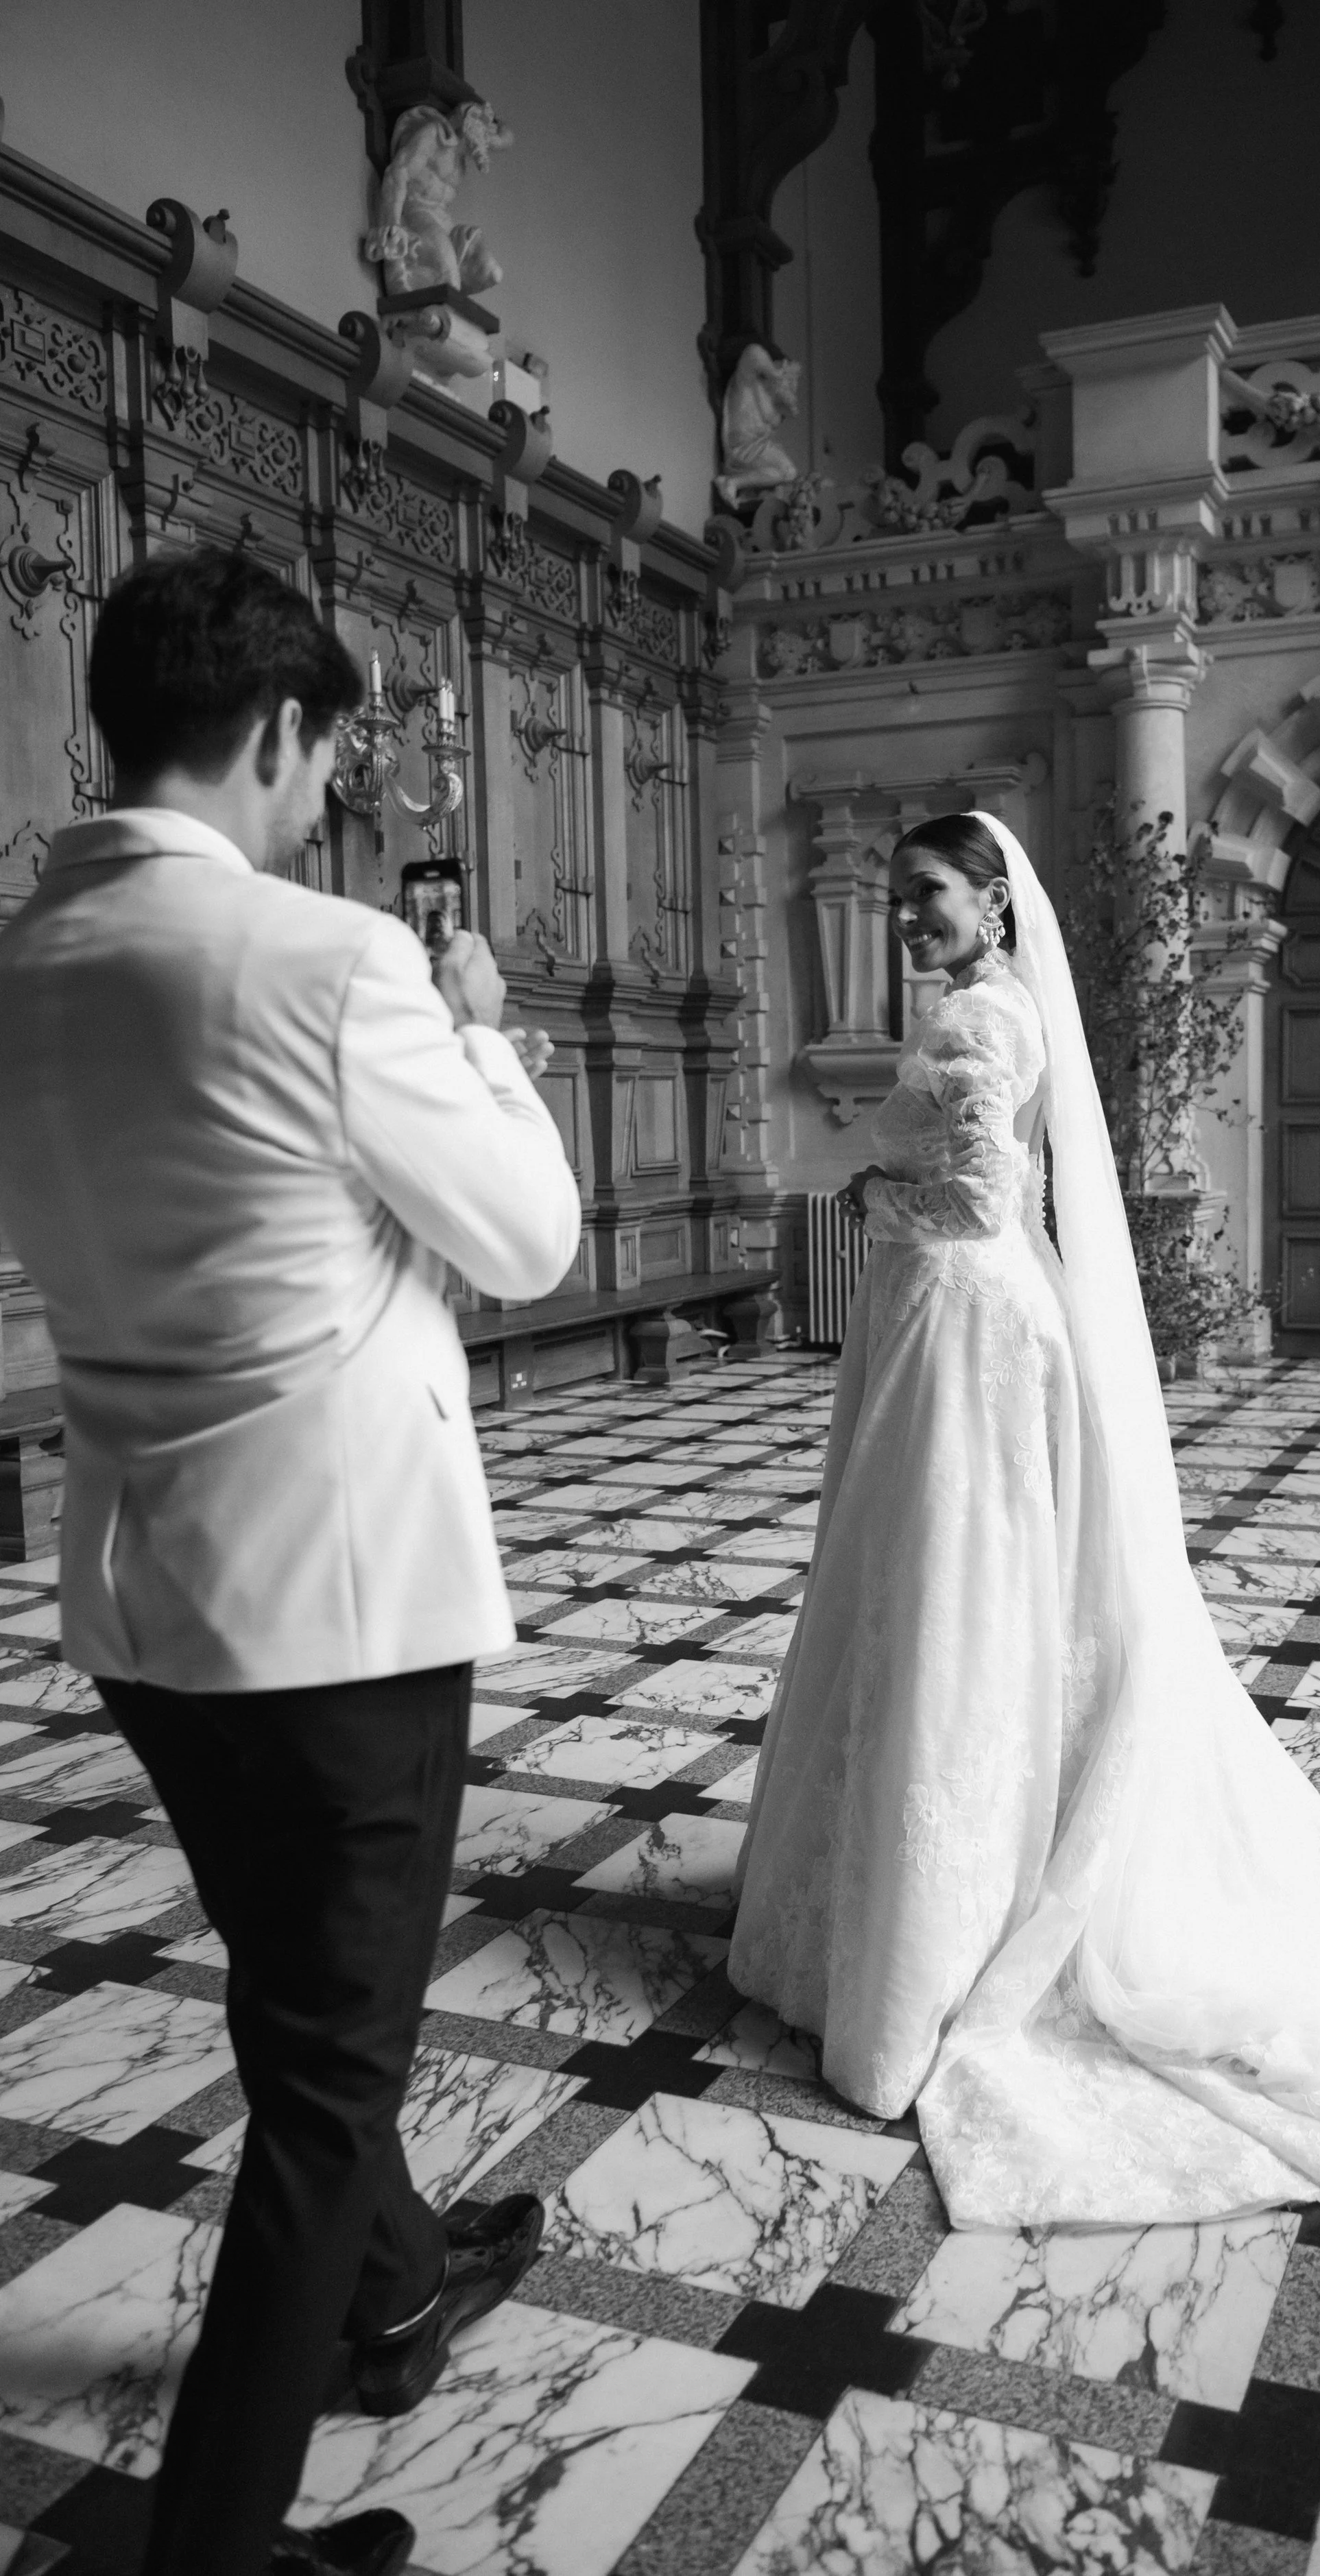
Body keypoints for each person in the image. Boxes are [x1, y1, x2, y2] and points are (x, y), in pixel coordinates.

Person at [0, 551, 580, 2576]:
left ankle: (397, 2282)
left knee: (299, 2006)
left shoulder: (24, 951)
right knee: (327, 2084)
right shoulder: (331, 959)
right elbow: (526, 1242)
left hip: (144, 1598)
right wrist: (477, 1030)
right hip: (338, 1619)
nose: (321, 805)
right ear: (273, 729)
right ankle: (215, 2553)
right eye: (323, 763)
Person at [730, 809, 1320, 2228]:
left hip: (962, 1327)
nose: (905, 919)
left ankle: (933, 1940)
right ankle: (901, 1898)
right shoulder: (992, 1008)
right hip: (949, 1321)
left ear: (989, 901)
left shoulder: (985, 1020)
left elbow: (982, 1193)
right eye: (895, 899)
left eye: (926, 896)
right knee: (931, 1590)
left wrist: (866, 1180)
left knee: (953, 1592)